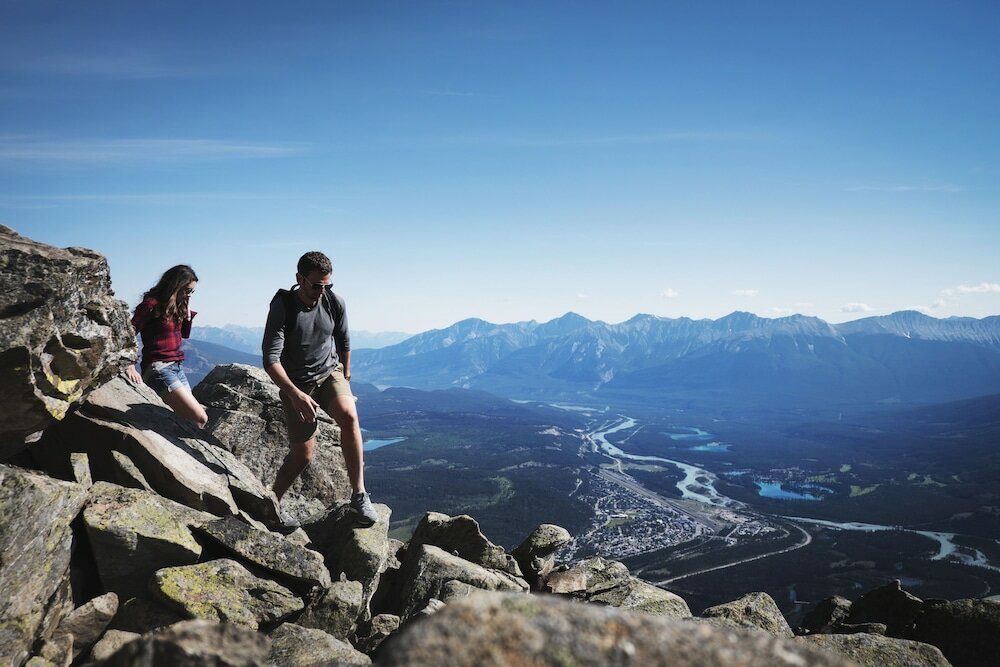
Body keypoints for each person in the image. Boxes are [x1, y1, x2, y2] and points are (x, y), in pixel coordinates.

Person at [262, 251, 378, 529]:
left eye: (327, 285)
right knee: (303, 455)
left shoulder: (333, 301)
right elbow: (270, 360)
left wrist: (345, 376)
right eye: (316, 285)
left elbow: (344, 340)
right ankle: (272, 504)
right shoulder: (283, 307)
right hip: (298, 383)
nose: (321, 291)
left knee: (349, 416)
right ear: (299, 278)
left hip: (329, 373)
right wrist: (294, 393)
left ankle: (359, 496)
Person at [129, 264, 209, 429]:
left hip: (177, 368)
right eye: (187, 290)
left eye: (192, 291)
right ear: (175, 286)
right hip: (159, 369)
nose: (189, 295)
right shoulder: (151, 305)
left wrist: (186, 311)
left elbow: (184, 334)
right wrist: (130, 364)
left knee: (194, 421)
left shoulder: (176, 307)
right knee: (200, 417)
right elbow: (129, 332)